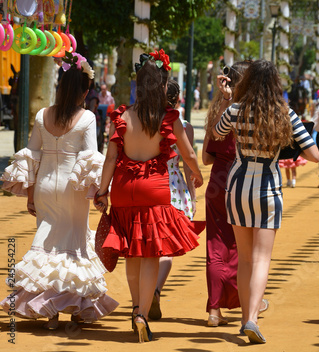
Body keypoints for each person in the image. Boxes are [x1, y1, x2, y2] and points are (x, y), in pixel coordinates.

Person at [0, 53, 118, 329]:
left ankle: (50, 311)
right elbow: (91, 160)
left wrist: (30, 195)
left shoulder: (42, 115)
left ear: (61, 87)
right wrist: (100, 193)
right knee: (73, 246)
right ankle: (74, 307)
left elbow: (32, 156)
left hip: (43, 186)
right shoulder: (87, 118)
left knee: (47, 242)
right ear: (84, 90)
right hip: (71, 190)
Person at [94, 51, 204, 343]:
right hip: (154, 189)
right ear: (162, 85)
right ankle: (142, 313)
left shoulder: (122, 116)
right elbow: (189, 153)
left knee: (131, 251)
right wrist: (197, 173)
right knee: (150, 253)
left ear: (137, 84)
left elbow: (110, 158)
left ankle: (134, 308)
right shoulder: (167, 118)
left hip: (123, 190)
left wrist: (102, 190)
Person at [213, 60, 319, 343]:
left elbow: (216, 132)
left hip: (236, 186)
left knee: (245, 259)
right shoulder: (285, 114)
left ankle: (245, 317)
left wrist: (228, 99)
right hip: (268, 188)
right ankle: (252, 319)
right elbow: (315, 156)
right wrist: (289, 148)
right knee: (262, 258)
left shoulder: (236, 110)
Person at [203, 61, 253, 327]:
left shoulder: (218, 112)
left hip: (217, 182)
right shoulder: (255, 111)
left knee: (216, 246)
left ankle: (214, 309)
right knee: (243, 248)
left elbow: (206, 157)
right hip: (246, 181)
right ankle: (247, 301)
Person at [148, 79, 197, 321]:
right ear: (178, 99)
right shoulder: (184, 126)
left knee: (148, 245)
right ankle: (156, 288)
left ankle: (142, 300)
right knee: (167, 246)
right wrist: (194, 195)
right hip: (174, 186)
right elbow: (189, 162)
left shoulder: (145, 120)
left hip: (149, 183)